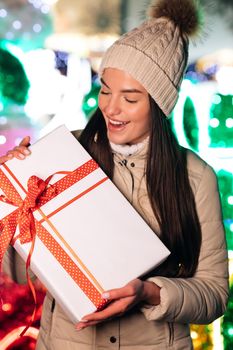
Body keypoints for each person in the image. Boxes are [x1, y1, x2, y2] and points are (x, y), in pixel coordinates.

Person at [1, 0, 229, 349]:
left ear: (160, 104)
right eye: (106, 90)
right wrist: (14, 188)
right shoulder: (65, 154)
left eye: (130, 98)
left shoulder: (195, 177)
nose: (110, 107)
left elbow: (213, 295)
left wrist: (150, 293)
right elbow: (19, 273)